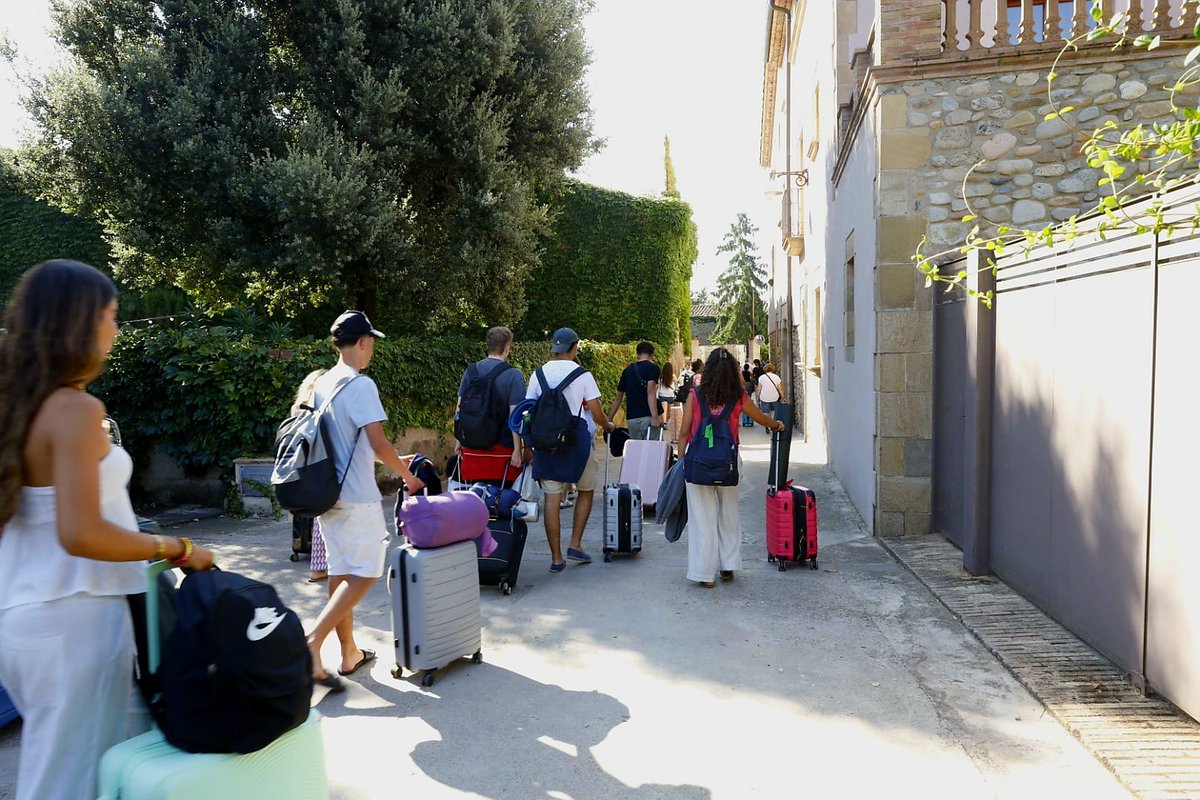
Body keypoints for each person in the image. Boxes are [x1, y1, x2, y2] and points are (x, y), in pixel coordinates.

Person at [0, 260, 215, 800]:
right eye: (111, 315)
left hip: (36, 616)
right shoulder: (74, 409)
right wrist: (178, 547)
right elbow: (82, 533)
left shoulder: (20, 408)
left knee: (115, 766)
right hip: (76, 617)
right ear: (77, 321)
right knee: (68, 783)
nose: (116, 328)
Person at [305, 310, 423, 691]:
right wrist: (407, 476)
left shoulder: (320, 384)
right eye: (371, 342)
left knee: (340, 572)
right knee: (368, 571)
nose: (371, 349)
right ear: (363, 342)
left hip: (326, 496)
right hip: (357, 498)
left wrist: (393, 460)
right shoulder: (360, 385)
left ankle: (349, 653)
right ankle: (313, 641)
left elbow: (351, 445)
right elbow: (377, 440)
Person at [679, 347, 784, 588]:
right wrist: (777, 425)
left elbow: (684, 433)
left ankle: (704, 574)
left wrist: (681, 461)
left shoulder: (695, 395)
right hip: (728, 463)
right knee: (729, 514)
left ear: (709, 369)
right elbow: (760, 418)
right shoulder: (738, 396)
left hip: (698, 463)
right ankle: (728, 565)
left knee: (702, 519)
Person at [527, 328, 615, 572]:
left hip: (546, 443)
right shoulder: (582, 374)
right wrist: (607, 424)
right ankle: (575, 543)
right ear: (574, 348)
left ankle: (556, 559)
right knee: (586, 489)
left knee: (551, 498)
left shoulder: (538, 374)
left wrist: (527, 445)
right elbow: (596, 412)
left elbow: (528, 410)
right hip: (576, 443)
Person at [454, 326, 528, 480]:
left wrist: (459, 440)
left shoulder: (471, 371)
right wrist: (517, 449)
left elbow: (459, 409)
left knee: (474, 492)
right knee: (501, 493)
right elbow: (515, 416)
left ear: (488, 346)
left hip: (472, 447)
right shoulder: (513, 375)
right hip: (501, 450)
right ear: (507, 348)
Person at [607, 341, 661, 442]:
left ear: (637, 354)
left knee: (636, 448)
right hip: (647, 416)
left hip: (632, 418)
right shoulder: (653, 368)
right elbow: (650, 392)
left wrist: (609, 419)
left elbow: (618, 398)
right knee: (652, 448)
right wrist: (655, 417)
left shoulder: (627, 370)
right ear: (651, 355)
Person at [656, 360, 676, 431]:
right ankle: (669, 423)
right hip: (670, 395)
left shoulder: (661, 377)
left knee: (664, 411)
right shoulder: (673, 376)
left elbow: (658, 386)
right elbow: (676, 383)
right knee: (670, 411)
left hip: (662, 395)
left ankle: (664, 424)